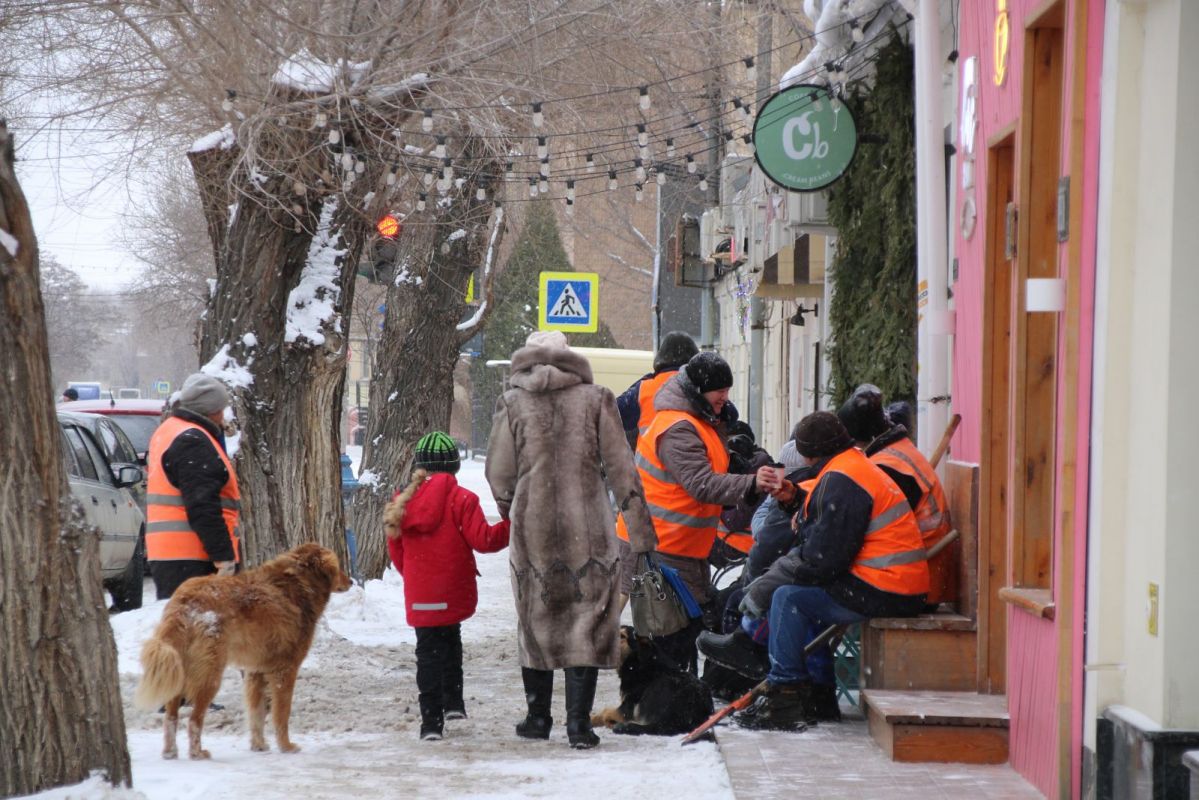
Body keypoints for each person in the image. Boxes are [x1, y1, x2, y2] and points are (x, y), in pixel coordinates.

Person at [697, 411, 929, 731]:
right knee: (793, 594)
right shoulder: (848, 467)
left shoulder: (843, 479)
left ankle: (786, 692)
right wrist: (794, 498)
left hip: (889, 587)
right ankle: (804, 689)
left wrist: (766, 585)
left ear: (808, 454)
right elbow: (825, 522)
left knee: (789, 599)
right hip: (894, 582)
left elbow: (823, 559)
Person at [486, 330, 657, 750]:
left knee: (536, 619)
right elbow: (622, 470)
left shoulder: (512, 402)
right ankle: (579, 725)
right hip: (590, 529)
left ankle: (538, 717)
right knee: (589, 618)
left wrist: (511, 506)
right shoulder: (597, 398)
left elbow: (499, 473)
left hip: (534, 527)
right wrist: (639, 531)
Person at [616, 351, 777, 674]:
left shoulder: (700, 421)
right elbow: (700, 484)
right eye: (720, 391)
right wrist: (750, 483)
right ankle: (663, 702)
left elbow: (706, 471)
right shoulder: (677, 428)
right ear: (698, 391)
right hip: (660, 544)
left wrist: (735, 464)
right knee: (669, 633)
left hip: (680, 544)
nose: (725, 398)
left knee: (683, 629)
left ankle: (673, 697)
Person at [384, 431, 511, 742]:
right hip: (453, 589)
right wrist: (512, 524)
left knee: (426, 652)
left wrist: (414, 576)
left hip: (421, 592)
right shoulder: (463, 499)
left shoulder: (402, 502)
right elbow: (484, 541)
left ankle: (430, 722)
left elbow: (396, 550)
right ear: (454, 466)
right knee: (452, 642)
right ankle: (454, 704)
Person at [839, 385, 955, 606]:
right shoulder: (899, 450)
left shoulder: (888, 468)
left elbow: (865, 529)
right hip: (922, 569)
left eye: (854, 443)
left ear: (865, 439)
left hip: (914, 578)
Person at [145, 373, 240, 600]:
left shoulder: (170, 430)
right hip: (193, 558)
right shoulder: (193, 441)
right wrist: (223, 556)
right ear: (212, 410)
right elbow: (202, 505)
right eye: (221, 409)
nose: (222, 416)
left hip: (170, 555)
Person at [615, 330, 699, 448]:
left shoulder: (643, 389)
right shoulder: (703, 388)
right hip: (695, 462)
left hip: (649, 462)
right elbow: (729, 416)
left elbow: (613, 414)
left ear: (660, 358)